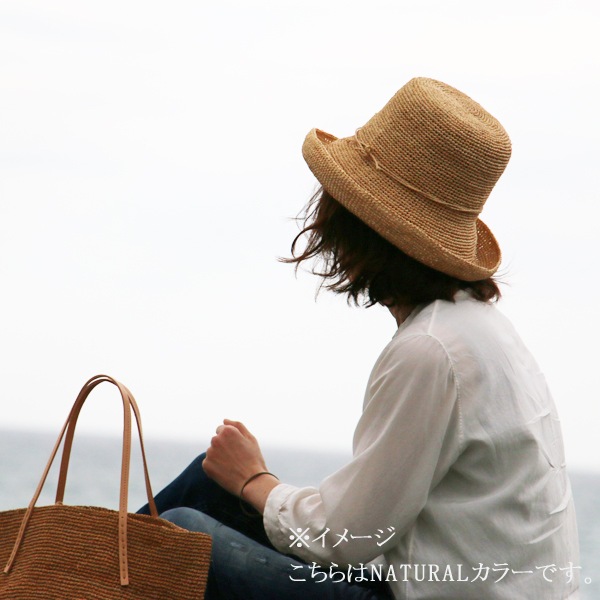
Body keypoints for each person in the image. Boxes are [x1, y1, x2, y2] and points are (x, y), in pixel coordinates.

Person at [138, 77, 580, 599]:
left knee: (182, 532)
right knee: (207, 483)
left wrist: (255, 480)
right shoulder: (479, 329)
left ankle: (70, 570)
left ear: (363, 227)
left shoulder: (431, 349)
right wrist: (249, 483)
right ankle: (70, 562)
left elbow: (349, 537)